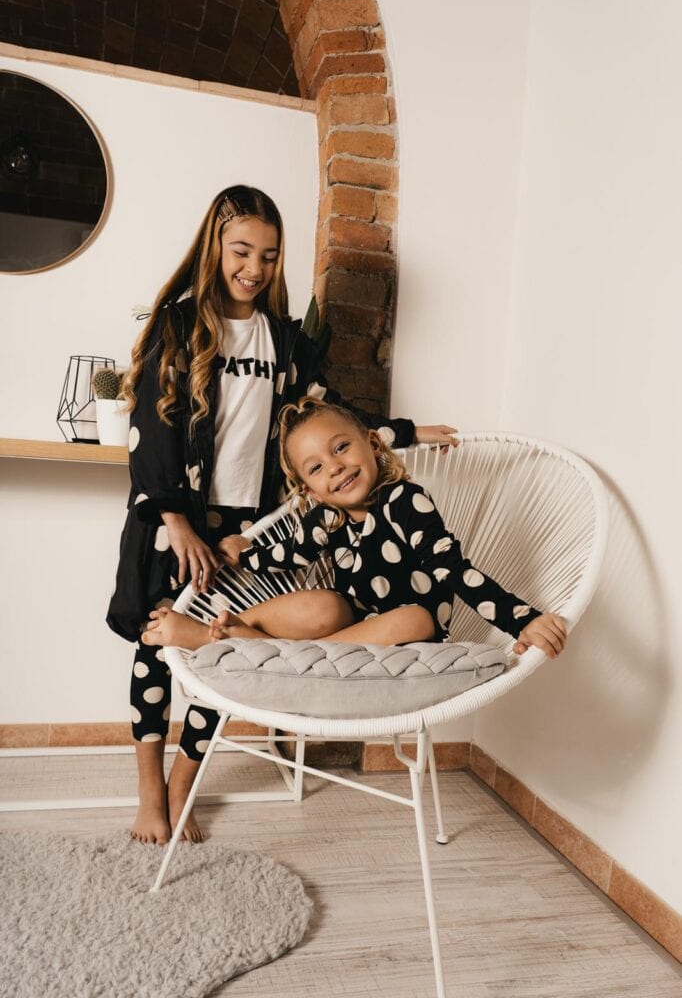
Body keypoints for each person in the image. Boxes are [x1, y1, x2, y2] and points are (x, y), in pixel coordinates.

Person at [107, 186, 457, 845]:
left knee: (223, 651)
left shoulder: (286, 342)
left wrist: (406, 432)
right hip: (176, 519)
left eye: (268, 256)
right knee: (156, 643)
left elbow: (331, 415)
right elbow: (150, 429)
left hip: (246, 526)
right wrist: (175, 523)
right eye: (242, 251)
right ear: (214, 247)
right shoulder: (179, 328)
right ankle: (150, 794)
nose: (254, 268)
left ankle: (184, 786)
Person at [143, 397, 566, 663]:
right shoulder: (327, 517)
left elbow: (454, 570)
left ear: (374, 444)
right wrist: (245, 553)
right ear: (310, 491)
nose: (335, 467)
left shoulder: (404, 501)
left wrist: (521, 621)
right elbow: (288, 554)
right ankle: (230, 628)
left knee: (414, 618)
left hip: (408, 635)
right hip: (352, 627)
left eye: (342, 447)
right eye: (316, 468)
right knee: (325, 604)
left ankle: (264, 652)